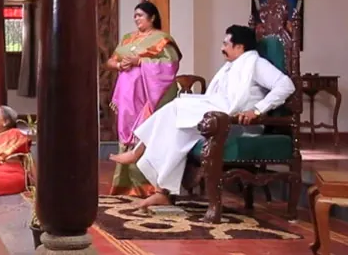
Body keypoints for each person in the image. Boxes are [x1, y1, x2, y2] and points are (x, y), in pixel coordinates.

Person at [109, 25, 296, 210]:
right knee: (177, 124)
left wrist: (257, 110)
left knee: (177, 108)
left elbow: (286, 85)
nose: (222, 48)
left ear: (240, 47)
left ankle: (138, 152)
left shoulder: (256, 63)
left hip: (236, 124)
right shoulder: (230, 67)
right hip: (217, 117)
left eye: (226, 44)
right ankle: (162, 191)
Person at [107, 2, 182, 197]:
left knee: (142, 130)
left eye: (140, 15)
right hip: (126, 93)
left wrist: (140, 61)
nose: (136, 19)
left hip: (147, 93)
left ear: (152, 17)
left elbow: (170, 65)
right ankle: (125, 184)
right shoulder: (128, 38)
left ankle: (147, 185)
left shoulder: (162, 40)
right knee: (125, 131)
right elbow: (110, 61)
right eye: (135, 15)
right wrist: (120, 66)